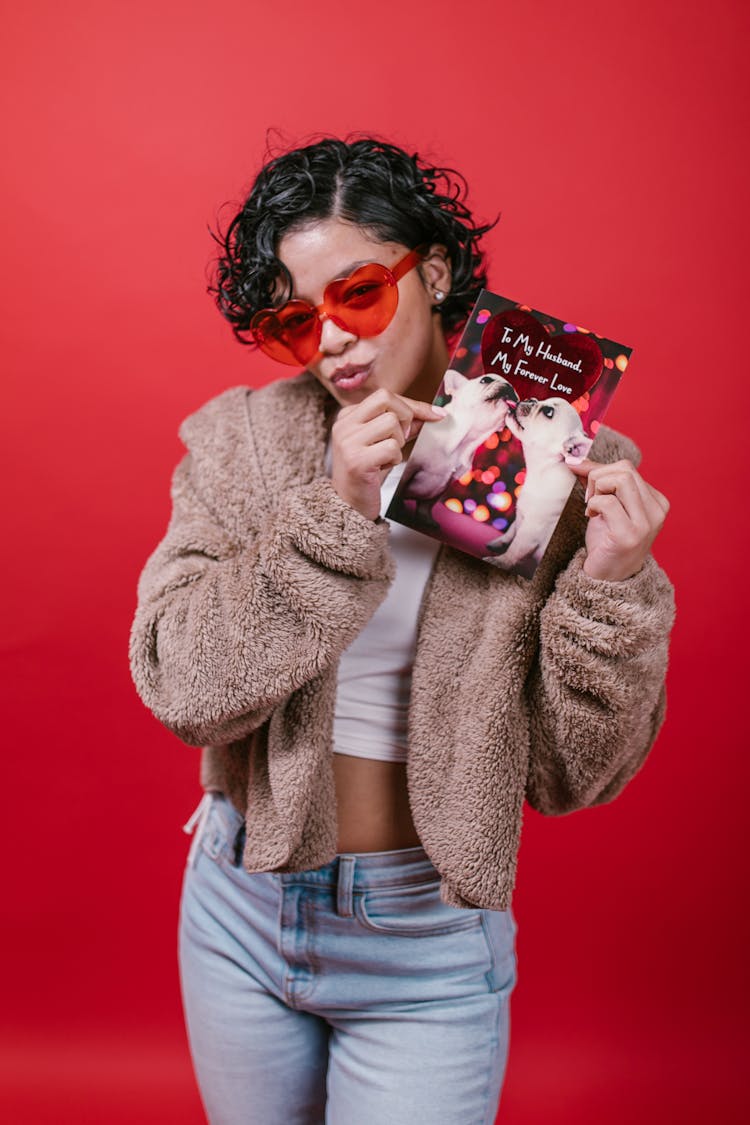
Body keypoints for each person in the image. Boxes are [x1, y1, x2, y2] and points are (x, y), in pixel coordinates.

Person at [128, 135, 675, 1125]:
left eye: (359, 296)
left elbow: (571, 775)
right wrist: (334, 510)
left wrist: (613, 588)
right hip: (243, 910)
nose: (331, 339)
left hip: (427, 936)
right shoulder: (243, 440)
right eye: (295, 322)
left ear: (432, 270)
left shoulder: (557, 455)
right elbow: (179, 686)